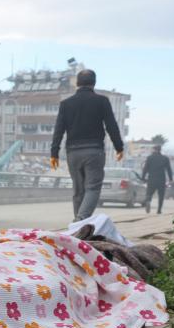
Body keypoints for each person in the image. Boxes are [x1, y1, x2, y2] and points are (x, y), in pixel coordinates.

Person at [49, 69, 125, 222]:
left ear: (77, 83)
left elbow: (59, 129)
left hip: (73, 153)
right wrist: (119, 147)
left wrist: (54, 153)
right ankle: (80, 220)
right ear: (94, 83)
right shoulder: (102, 101)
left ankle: (79, 226)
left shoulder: (66, 104)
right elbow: (111, 126)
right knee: (93, 188)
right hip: (94, 151)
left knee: (78, 191)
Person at [142, 145, 173, 214]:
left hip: (151, 179)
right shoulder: (165, 158)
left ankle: (148, 201)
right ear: (160, 150)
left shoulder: (149, 158)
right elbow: (169, 169)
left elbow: (145, 169)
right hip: (161, 180)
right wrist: (171, 179)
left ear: (154, 150)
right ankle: (159, 210)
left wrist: (143, 178)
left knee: (149, 193)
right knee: (161, 195)